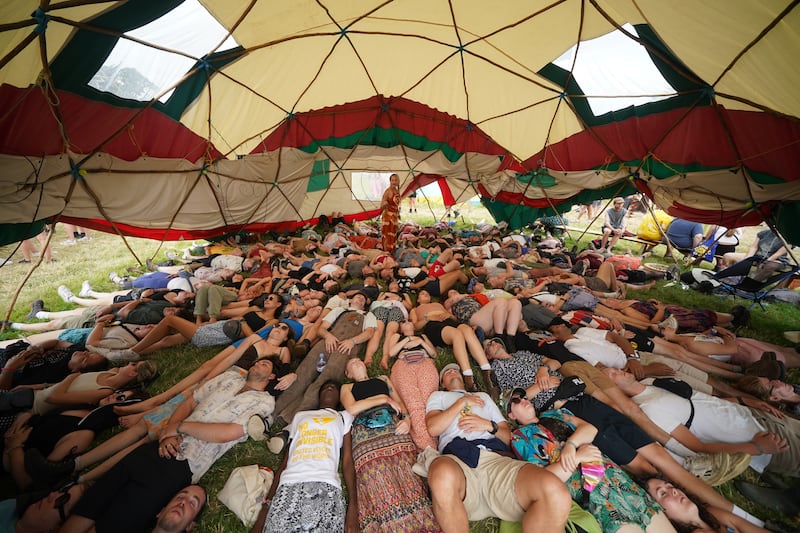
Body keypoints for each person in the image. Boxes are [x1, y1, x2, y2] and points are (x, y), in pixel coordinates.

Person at [61, 359, 276, 533]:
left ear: (272, 377)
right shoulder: (230, 377)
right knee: (100, 493)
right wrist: (169, 431)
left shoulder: (264, 402)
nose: (258, 364)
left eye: (265, 364)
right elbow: (191, 401)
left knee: (119, 519)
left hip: (184, 462)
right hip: (160, 445)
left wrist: (179, 428)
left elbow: (228, 433)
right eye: (257, 362)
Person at [423, 364, 572, 533]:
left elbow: (509, 437)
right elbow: (433, 428)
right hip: (459, 462)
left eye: (455, 369)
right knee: (441, 473)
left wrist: (488, 425)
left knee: (556, 492)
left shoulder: (483, 397)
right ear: (443, 384)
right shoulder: (439, 396)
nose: (452, 371)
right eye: (447, 372)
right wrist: (461, 402)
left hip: (498, 462)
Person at [503, 388, 674, 533]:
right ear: (510, 414)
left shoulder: (556, 414)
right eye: (517, 400)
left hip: (620, 481)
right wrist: (578, 457)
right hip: (597, 497)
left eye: (525, 397)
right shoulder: (520, 439)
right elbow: (541, 480)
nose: (524, 400)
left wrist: (571, 444)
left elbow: (589, 429)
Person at [604, 367, 798, 478]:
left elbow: (704, 403)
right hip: (761, 438)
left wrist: (744, 401)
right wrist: (755, 447)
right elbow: (698, 446)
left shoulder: (651, 382)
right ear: (612, 387)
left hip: (755, 415)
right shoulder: (650, 410)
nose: (617, 369)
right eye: (612, 374)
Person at [340, 358, 439, 530]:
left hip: (394, 427)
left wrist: (407, 420)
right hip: (365, 433)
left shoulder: (383, 379)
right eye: (351, 363)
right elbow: (353, 408)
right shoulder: (347, 388)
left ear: (365, 365)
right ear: (348, 374)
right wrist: (384, 398)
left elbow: (400, 404)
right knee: (375, 477)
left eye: (358, 360)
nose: (355, 362)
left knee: (408, 471)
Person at [250, 381, 358, 533]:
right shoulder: (300, 416)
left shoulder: (343, 417)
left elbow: (347, 461)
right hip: (289, 485)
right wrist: (265, 509)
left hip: (326, 486)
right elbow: (286, 460)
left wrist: (353, 506)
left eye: (334, 387)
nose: (330, 387)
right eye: (326, 385)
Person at [272, 291, 377, 425]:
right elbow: (322, 329)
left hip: (347, 348)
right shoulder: (339, 310)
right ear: (350, 301)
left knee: (327, 379)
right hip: (327, 343)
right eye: (358, 296)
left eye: (363, 299)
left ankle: (294, 418)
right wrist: (328, 336)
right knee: (304, 372)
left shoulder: (368, 315)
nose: (361, 299)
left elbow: (369, 333)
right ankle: (274, 412)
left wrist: (352, 341)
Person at [645, 477, 770, 533]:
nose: (674, 491)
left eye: (670, 486)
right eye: (663, 494)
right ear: (661, 514)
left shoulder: (712, 514)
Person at [386, 320, 439, 449]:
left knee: (429, 401)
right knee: (413, 402)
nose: (407, 322)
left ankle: (431, 442)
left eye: (409, 321)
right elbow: (391, 353)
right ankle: (428, 445)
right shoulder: (397, 337)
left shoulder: (422, 337)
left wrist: (420, 342)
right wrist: (408, 339)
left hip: (424, 362)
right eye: (403, 322)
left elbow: (434, 353)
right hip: (403, 363)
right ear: (400, 328)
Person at [380, 173, 401, 253]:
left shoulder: (397, 191)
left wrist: (398, 213)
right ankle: (385, 251)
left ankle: (391, 251)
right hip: (388, 216)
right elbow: (381, 206)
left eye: (396, 180)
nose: (394, 182)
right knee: (387, 235)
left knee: (393, 234)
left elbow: (396, 204)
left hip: (394, 216)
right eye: (392, 180)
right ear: (390, 181)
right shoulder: (388, 191)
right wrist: (385, 204)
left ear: (398, 181)